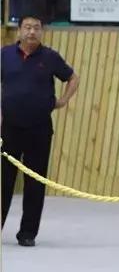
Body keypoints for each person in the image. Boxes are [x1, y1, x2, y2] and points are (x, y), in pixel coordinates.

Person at [1, 15, 80, 246]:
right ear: (19, 31)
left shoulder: (50, 57)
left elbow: (73, 78)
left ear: (42, 31)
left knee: (35, 182)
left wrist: (63, 100)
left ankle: (27, 233)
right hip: (10, 128)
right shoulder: (5, 55)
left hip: (39, 128)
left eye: (36, 28)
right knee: (3, 181)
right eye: (27, 27)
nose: (32, 32)